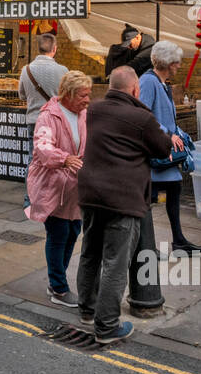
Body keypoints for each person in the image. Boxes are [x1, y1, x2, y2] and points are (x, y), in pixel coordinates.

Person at [74, 66, 173, 344]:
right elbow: (163, 148)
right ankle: (106, 326)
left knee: (90, 253)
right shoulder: (141, 117)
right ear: (135, 90)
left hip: (90, 193)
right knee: (116, 262)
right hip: (123, 197)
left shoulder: (92, 110)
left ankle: (87, 310)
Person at [26, 71, 91, 308]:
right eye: (83, 95)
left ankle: (56, 280)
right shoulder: (49, 116)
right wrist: (64, 158)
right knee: (58, 234)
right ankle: (59, 288)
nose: (87, 100)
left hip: (74, 188)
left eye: (88, 94)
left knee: (73, 231)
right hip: (52, 186)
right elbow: (42, 147)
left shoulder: (83, 114)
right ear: (69, 94)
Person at [138, 41, 201, 256]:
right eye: (177, 62)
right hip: (157, 149)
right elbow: (143, 113)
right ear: (168, 63)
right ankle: (145, 245)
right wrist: (167, 133)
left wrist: (176, 132)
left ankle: (178, 241)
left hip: (165, 148)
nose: (179, 66)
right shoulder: (148, 82)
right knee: (147, 199)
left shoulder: (161, 82)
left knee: (174, 190)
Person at [18, 33, 68, 206]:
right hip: (55, 121)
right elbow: (67, 97)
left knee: (33, 160)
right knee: (56, 160)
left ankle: (30, 200)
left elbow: (22, 95)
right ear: (54, 49)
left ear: (39, 48)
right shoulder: (63, 71)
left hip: (34, 120)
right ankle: (53, 199)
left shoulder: (26, 70)